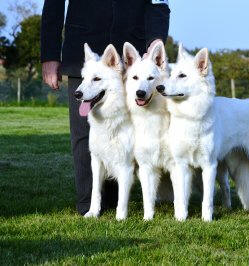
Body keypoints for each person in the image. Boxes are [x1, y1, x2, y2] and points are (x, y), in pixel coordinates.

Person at [40, 0, 170, 215]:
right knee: (84, 134)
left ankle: (120, 201)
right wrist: (50, 55)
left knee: (130, 133)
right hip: (83, 49)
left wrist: (155, 41)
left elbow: (158, 3)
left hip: (131, 55)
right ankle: (88, 204)